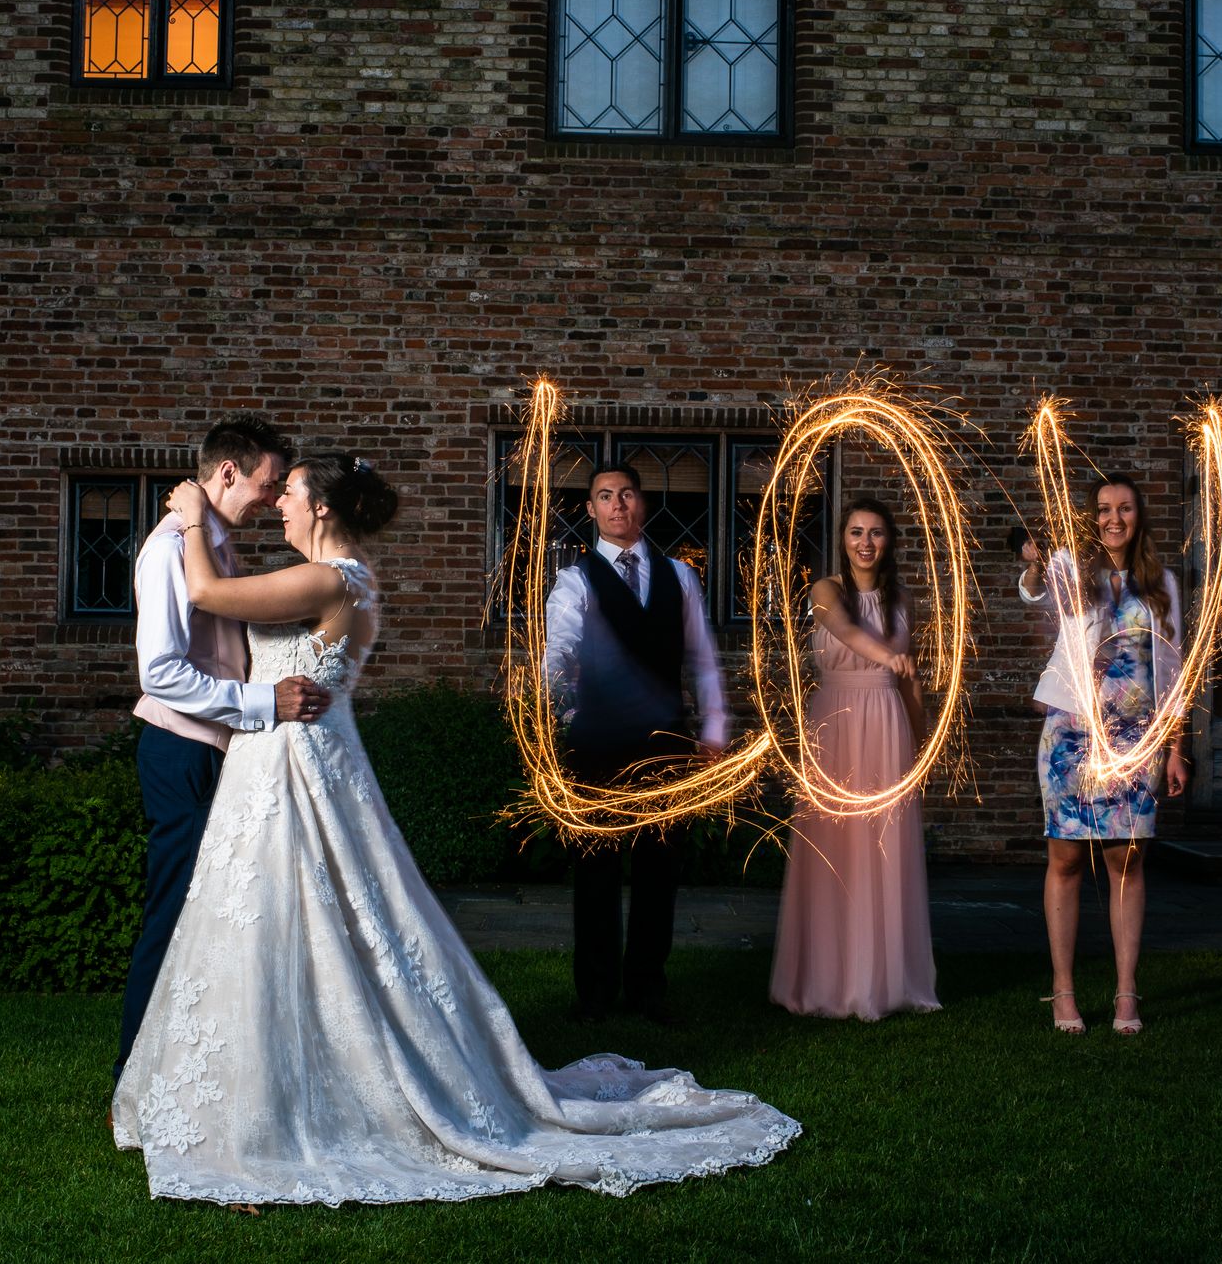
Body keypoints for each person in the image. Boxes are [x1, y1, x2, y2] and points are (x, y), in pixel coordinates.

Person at [112, 454, 799, 1205]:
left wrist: (187, 513)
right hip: (275, 763)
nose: (280, 503)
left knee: (303, 921)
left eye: (293, 492)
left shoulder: (332, 577)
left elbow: (210, 591)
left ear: (323, 508)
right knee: (274, 924)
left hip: (294, 766)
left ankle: (289, 1105)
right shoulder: (336, 575)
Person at [114, 414, 332, 1090]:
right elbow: (163, 673)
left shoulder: (211, 543)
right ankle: (134, 1078)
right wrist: (265, 705)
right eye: (267, 483)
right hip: (180, 754)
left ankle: (187, 1067)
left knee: (209, 914)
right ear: (228, 471)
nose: (271, 498)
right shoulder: (170, 548)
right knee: (174, 911)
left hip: (210, 750)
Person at [541, 462, 729, 1026]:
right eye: (605, 496)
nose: (617, 504)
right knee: (595, 872)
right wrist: (563, 712)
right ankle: (595, 995)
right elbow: (558, 654)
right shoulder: (575, 580)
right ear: (592, 510)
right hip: (597, 743)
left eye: (626, 494)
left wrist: (714, 729)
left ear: (641, 503)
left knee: (658, 870)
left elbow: (702, 659)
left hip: (668, 739)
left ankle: (648, 986)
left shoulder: (680, 576)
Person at [1018, 476, 1188, 1035]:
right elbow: (1033, 590)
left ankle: (1125, 994)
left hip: (1135, 736)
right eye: (1104, 510)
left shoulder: (1161, 583)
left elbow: (1174, 669)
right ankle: (1063, 991)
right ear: (1092, 518)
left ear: (1140, 516)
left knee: (1127, 861)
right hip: (1070, 731)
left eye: (1125, 509)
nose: (1114, 519)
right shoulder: (1070, 566)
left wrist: (1176, 750)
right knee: (1064, 859)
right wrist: (1035, 564)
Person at [770, 498, 940, 1021]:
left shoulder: (903, 600)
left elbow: (911, 680)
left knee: (883, 847)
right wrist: (888, 655)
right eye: (855, 532)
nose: (865, 542)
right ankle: (827, 978)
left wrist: (921, 740)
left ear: (889, 542)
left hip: (886, 724)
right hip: (837, 723)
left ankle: (884, 981)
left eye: (876, 533)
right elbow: (845, 631)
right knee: (833, 845)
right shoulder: (827, 591)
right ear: (842, 540)